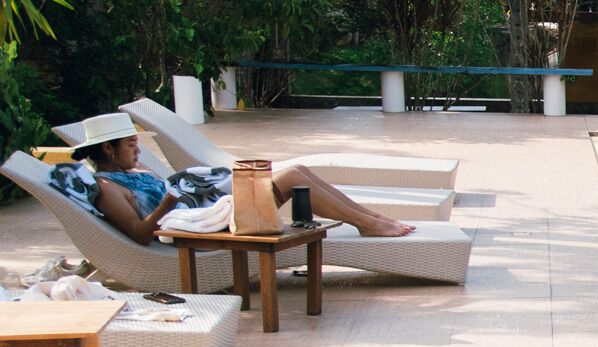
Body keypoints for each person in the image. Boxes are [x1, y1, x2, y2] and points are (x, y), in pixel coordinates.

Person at [67, 112, 414, 241]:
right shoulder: (108, 188)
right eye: (130, 145)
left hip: (206, 205)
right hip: (207, 221)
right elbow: (141, 234)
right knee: (292, 175)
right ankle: (365, 223)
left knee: (299, 172)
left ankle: (370, 218)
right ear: (108, 150)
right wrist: (170, 202)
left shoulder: (132, 173)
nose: (138, 151)